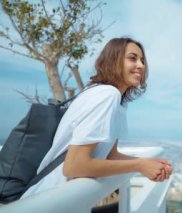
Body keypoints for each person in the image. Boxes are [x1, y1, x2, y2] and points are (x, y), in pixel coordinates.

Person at [21, 37, 172, 199]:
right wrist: (140, 165)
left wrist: (149, 164)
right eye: (132, 58)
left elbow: (110, 155)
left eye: (142, 60)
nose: (141, 66)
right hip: (49, 200)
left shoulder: (116, 100)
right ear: (114, 61)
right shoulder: (106, 95)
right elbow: (74, 166)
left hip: (65, 199)